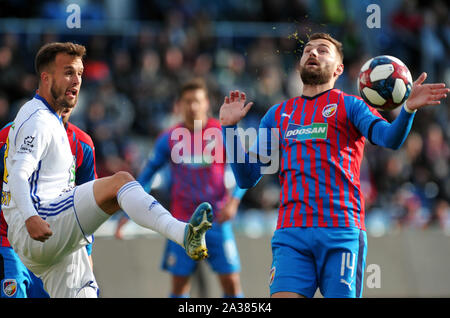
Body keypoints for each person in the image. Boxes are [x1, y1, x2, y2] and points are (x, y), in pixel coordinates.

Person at [219, 32, 449, 298]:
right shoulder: (277, 115)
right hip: (291, 234)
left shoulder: (351, 106)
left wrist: (408, 109)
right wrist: (230, 130)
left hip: (341, 231)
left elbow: (390, 139)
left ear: (339, 68)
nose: (313, 53)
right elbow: (248, 178)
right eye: (308, 50)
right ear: (299, 64)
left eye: (323, 50)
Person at [1, 42, 213, 298]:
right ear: (45, 78)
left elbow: (77, 197)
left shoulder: (70, 135)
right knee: (119, 182)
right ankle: (182, 232)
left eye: (79, 73)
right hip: (35, 225)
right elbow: (18, 174)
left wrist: (85, 250)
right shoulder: (36, 119)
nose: (76, 80)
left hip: (54, 238)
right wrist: (29, 217)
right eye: (68, 72)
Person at [115, 79, 246, 298]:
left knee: (231, 283)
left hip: (217, 221)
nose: (192, 106)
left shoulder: (222, 133)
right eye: (187, 101)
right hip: (181, 223)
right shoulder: (168, 138)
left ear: (206, 104)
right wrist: (129, 210)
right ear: (179, 104)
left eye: (197, 101)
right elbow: (146, 176)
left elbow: (245, 171)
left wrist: (234, 202)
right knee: (179, 287)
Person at [0, 107, 95, 298]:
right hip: (10, 240)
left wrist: (87, 251)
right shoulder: (7, 135)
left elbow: (88, 204)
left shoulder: (82, 144)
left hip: (56, 246)